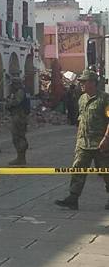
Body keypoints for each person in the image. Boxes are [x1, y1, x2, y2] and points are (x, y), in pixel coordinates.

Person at [55, 69, 109, 211]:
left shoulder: (105, 99)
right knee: (77, 169)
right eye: (81, 82)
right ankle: (73, 198)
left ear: (93, 83)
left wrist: (106, 138)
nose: (82, 84)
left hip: (101, 144)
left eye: (84, 82)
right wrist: (78, 139)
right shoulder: (82, 98)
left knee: (106, 172)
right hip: (83, 143)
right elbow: (81, 119)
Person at [6, 74, 29, 166]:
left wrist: (9, 103)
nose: (11, 87)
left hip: (19, 117)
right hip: (20, 117)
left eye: (12, 85)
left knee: (18, 137)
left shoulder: (20, 92)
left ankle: (21, 158)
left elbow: (16, 102)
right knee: (19, 137)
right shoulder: (24, 91)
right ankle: (20, 157)